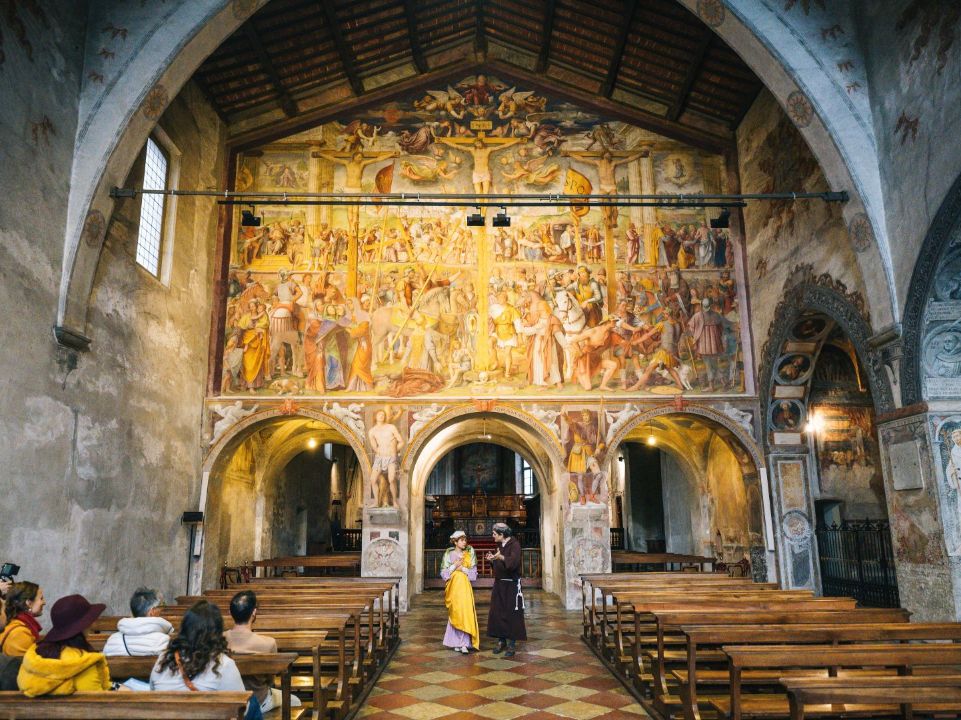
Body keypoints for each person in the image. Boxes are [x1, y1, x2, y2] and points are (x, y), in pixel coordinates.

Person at [151, 600, 261, 720]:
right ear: (217, 632)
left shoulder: (164, 658)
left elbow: (152, 690)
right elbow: (241, 708)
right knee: (252, 702)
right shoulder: (224, 664)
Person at [17, 594, 110, 696]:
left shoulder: (36, 655)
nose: (91, 624)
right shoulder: (83, 662)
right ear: (83, 625)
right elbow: (96, 701)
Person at [224, 590, 299, 715]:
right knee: (295, 701)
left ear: (230, 613)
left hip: (229, 702)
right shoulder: (268, 643)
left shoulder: (218, 640)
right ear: (254, 612)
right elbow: (270, 679)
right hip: (259, 700)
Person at [486, 524, 526, 657]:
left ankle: (511, 644)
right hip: (499, 585)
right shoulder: (500, 545)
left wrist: (500, 557)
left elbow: (513, 563)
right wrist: (492, 560)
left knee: (511, 615)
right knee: (497, 613)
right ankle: (501, 641)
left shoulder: (515, 545)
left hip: (511, 586)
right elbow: (499, 564)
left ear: (502, 535)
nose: (492, 536)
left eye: (494, 534)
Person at [441, 531, 479, 654]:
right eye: (462, 540)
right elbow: (444, 573)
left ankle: (464, 643)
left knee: (465, 612)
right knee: (455, 612)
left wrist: (462, 568)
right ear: (455, 542)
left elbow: (473, 574)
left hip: (465, 587)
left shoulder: (469, 554)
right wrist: (454, 566)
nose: (464, 542)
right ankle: (455, 642)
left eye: (465, 540)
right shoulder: (449, 554)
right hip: (453, 587)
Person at [0, 581, 45, 656]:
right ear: (29, 603)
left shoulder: (20, 624)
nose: (44, 602)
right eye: (41, 598)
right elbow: (27, 665)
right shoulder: (18, 633)